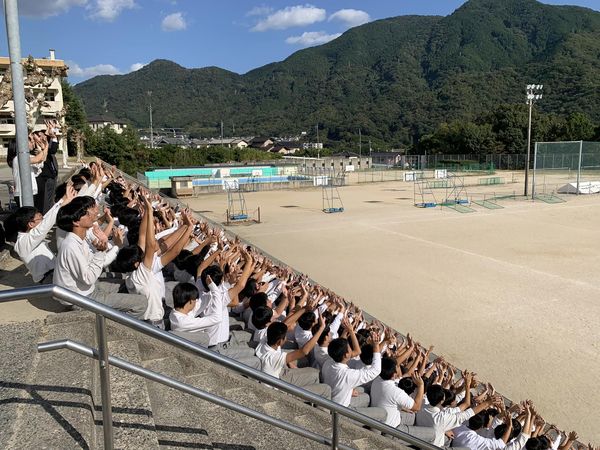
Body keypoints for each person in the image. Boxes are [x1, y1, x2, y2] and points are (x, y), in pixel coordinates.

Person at [54, 195, 146, 317]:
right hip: (80, 298)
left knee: (127, 283)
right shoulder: (71, 246)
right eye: (87, 213)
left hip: (86, 289)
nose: (93, 214)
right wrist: (101, 251)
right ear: (76, 222)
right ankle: (113, 328)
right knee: (142, 303)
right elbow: (88, 278)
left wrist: (103, 243)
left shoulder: (81, 237)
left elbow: (94, 266)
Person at [10, 182, 76, 284]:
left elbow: (47, 218)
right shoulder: (22, 243)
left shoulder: (32, 233)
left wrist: (63, 199)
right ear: (31, 224)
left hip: (57, 272)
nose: (42, 219)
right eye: (39, 219)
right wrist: (64, 201)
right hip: (49, 279)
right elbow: (44, 225)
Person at [255, 317, 331, 397]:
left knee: (313, 371)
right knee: (316, 376)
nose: (286, 338)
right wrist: (321, 328)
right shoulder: (273, 358)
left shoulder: (265, 340)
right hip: (279, 386)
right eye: (285, 337)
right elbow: (304, 351)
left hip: (278, 371)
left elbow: (284, 325)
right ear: (280, 342)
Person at [321, 331, 382, 408]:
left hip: (331, 397)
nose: (351, 348)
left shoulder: (328, 361)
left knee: (359, 389)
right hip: (340, 409)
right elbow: (375, 370)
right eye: (349, 347)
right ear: (346, 355)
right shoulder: (348, 375)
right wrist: (376, 346)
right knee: (366, 397)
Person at [370, 357, 425, 428]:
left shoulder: (377, 379)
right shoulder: (397, 392)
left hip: (378, 419)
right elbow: (417, 407)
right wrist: (421, 385)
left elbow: (406, 375)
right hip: (390, 427)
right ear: (394, 375)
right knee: (413, 416)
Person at [34, 121, 60, 214]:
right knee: (44, 201)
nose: (44, 137)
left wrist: (52, 129)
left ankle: (46, 216)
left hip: (50, 176)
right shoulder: (36, 148)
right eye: (40, 135)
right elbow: (52, 150)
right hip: (43, 177)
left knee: (49, 200)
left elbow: (52, 145)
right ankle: (44, 218)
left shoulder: (44, 146)